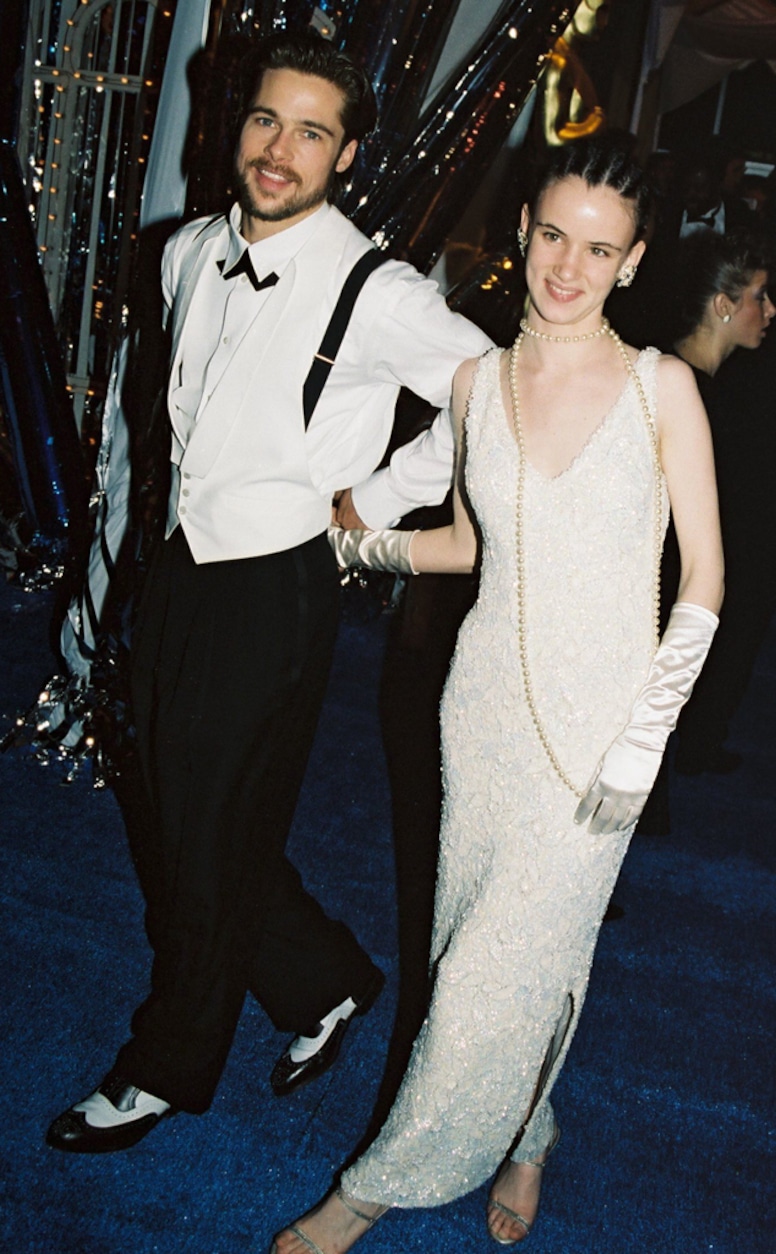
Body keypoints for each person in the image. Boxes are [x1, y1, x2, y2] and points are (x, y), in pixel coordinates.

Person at [271, 134, 723, 1252]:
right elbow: (470, 545)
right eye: (553, 237)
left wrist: (642, 743)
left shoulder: (660, 387)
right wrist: (359, 546)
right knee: (490, 946)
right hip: (478, 718)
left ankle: (367, 1191)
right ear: (524, 227)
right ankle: (528, 1130)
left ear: (632, 261)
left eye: (598, 249)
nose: (567, 268)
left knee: (492, 970)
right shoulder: (475, 383)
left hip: (600, 735)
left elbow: (704, 580)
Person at [46, 29, 491, 1154]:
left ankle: (165, 1064)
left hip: (278, 582)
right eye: (264, 120)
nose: (279, 150)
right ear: (231, 124)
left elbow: (489, 390)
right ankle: (324, 979)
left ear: (346, 154)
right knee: (176, 801)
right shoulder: (184, 249)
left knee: (206, 832)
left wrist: (380, 496)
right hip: (182, 566)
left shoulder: (377, 287)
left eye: (310, 131)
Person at [667, 230, 775, 774]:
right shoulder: (686, 389)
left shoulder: (718, 386)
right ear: (723, 306)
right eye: (760, 295)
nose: (771, 309)